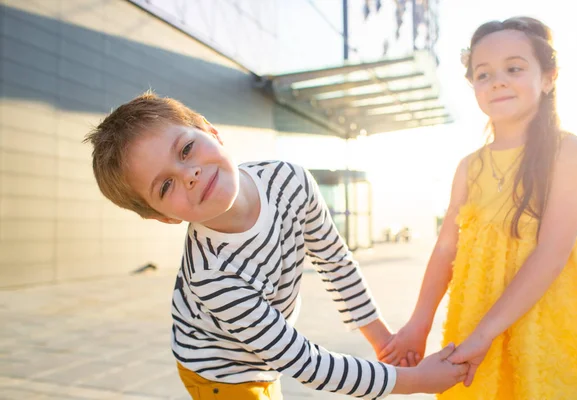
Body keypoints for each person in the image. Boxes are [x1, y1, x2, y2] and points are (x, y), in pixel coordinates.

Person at [83, 92, 467, 399]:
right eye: (165, 186)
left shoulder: (290, 181)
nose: (190, 175)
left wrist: (384, 342)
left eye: (186, 150)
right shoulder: (213, 275)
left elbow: (334, 261)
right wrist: (414, 380)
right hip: (221, 373)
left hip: (265, 352)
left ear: (212, 132)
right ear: (164, 217)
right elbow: (305, 363)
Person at [378, 16, 577, 399]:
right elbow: (446, 249)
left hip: (547, 322)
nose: (497, 80)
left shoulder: (568, 150)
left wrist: (485, 334)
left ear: (549, 78)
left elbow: (552, 251)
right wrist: (419, 323)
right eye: (483, 74)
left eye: (514, 68)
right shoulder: (469, 166)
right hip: (476, 319)